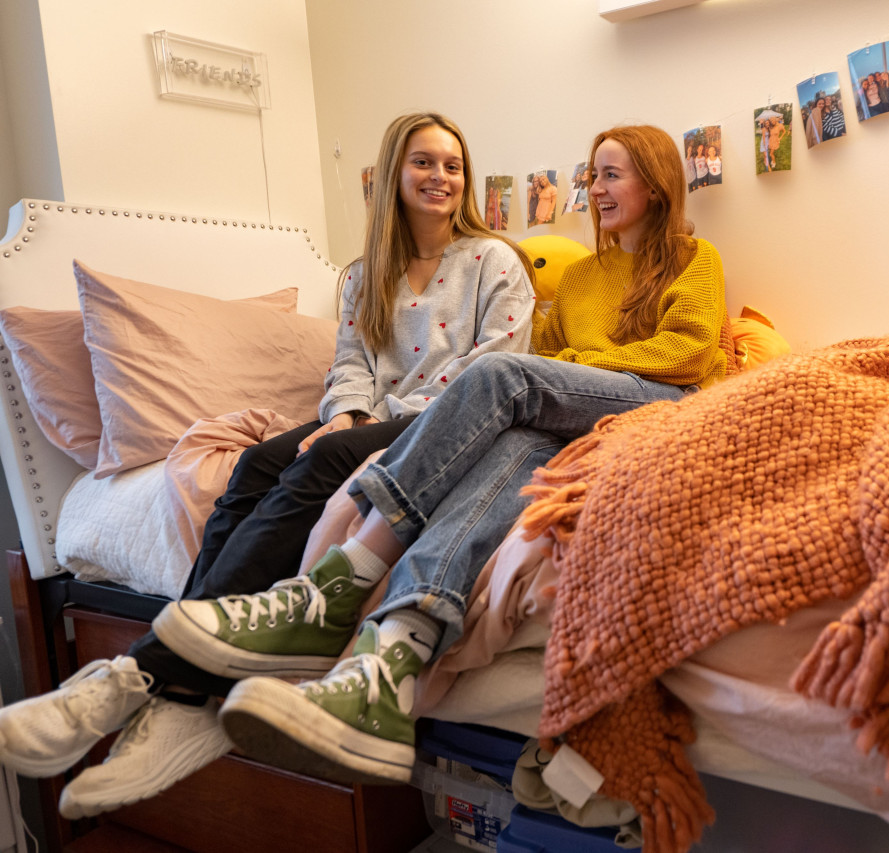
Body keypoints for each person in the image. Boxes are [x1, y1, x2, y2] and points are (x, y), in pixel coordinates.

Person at [158, 124, 730, 785]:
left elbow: (683, 353)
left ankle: (341, 575)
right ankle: (388, 659)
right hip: (579, 405)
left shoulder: (696, 257)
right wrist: (559, 372)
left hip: (664, 398)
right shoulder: (576, 279)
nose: (595, 189)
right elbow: (546, 361)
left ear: (656, 187)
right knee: (514, 439)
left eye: (611, 175)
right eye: (591, 175)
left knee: (495, 379)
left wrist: (573, 366)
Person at [0, 112, 536, 816]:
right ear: (395, 175)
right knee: (255, 461)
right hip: (368, 417)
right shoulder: (362, 274)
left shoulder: (492, 260)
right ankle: (182, 682)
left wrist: (369, 427)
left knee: (328, 461)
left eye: (452, 165)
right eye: (424, 163)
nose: (440, 177)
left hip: (444, 422)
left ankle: (148, 670)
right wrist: (345, 414)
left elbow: (494, 367)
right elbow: (348, 362)